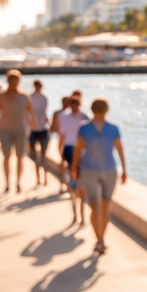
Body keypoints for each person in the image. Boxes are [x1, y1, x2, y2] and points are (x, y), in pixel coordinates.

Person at [71, 98, 126, 255]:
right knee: (99, 207)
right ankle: (100, 239)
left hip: (103, 170)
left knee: (102, 207)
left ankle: (101, 239)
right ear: (107, 110)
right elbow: (119, 149)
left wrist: (74, 168)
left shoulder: (111, 128)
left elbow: (78, 149)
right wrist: (124, 169)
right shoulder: (86, 128)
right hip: (95, 170)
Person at [0, 70, 38, 193]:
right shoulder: (1, 96)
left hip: (20, 130)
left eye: (16, 81)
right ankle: (7, 183)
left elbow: (30, 113)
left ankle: (18, 182)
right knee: (6, 156)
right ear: (8, 80)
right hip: (5, 130)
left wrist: (32, 127)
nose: (14, 83)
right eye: (11, 80)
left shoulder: (24, 96)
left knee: (20, 157)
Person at [53, 95, 89, 225]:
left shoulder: (84, 117)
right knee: (73, 185)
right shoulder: (65, 117)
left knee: (81, 186)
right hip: (69, 150)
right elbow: (62, 136)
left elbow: (88, 137)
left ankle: (82, 216)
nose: (74, 107)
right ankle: (75, 215)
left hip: (80, 151)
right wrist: (60, 150)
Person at [27, 79, 51, 185]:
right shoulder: (43, 97)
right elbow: (44, 113)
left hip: (35, 129)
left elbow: (28, 114)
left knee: (38, 156)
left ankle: (41, 179)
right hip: (39, 129)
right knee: (42, 156)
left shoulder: (30, 97)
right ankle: (42, 179)